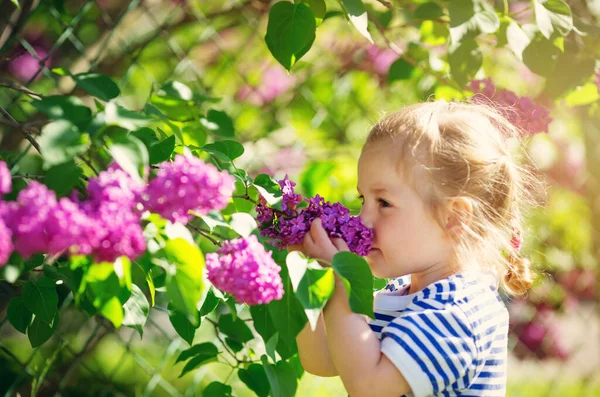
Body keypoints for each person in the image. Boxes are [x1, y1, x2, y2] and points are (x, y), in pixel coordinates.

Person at [293, 100, 544, 397]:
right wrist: (312, 275)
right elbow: (321, 359)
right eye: (363, 200)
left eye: (383, 203)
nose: (363, 219)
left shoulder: (456, 313)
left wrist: (340, 288)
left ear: (454, 218)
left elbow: (369, 388)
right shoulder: (402, 295)